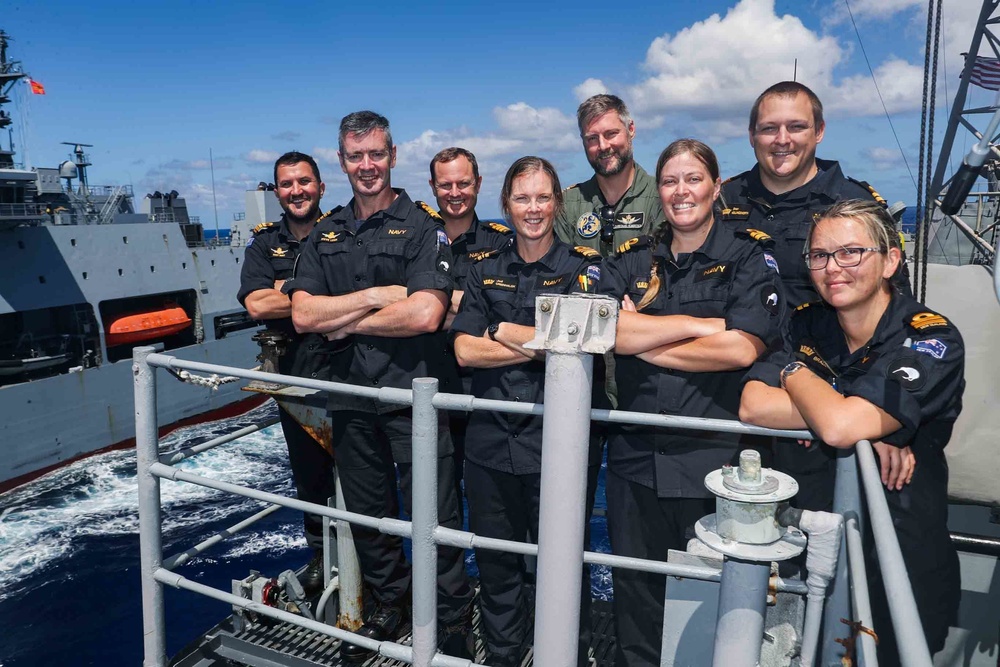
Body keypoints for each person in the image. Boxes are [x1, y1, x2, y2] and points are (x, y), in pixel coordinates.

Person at [739, 199, 963, 665]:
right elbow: (753, 405)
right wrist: (839, 413)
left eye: (850, 253)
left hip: (895, 560)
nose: (832, 268)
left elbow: (839, 426)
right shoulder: (806, 324)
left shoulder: (929, 337)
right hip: (811, 559)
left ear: (891, 260)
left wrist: (798, 378)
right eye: (819, 255)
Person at [285, 111, 474, 661]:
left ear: (392, 156)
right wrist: (373, 298)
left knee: (434, 516)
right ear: (341, 161)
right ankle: (392, 604)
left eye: (375, 154)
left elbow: (423, 314)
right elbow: (301, 315)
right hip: (350, 398)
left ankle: (451, 615)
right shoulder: (329, 231)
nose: (366, 166)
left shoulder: (422, 227)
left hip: (413, 396)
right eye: (354, 156)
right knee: (369, 514)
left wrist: (340, 319)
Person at [598, 139, 785, 667]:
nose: (682, 192)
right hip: (635, 463)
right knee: (635, 599)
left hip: (712, 464)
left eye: (693, 179)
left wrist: (646, 338)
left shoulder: (748, 256)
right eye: (670, 182)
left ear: (716, 186)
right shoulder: (631, 260)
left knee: (713, 609)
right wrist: (700, 327)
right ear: (658, 193)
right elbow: (606, 329)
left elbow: (741, 347)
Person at [720, 80, 911, 509]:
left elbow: (896, 313)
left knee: (816, 548)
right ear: (752, 136)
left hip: (821, 403)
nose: (782, 140)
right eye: (769, 128)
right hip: (728, 400)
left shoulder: (853, 204)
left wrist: (892, 423)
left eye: (796, 127)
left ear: (819, 131)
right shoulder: (723, 200)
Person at [452, 156, 604, 667]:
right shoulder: (483, 270)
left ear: (557, 203)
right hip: (490, 444)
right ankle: (503, 656)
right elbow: (464, 352)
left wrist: (500, 331)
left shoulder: (584, 269)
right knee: (497, 568)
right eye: (522, 198)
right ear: (506, 204)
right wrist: (545, 343)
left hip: (558, 447)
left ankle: (569, 655)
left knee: (562, 565)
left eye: (542, 197)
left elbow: (585, 341)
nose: (532, 208)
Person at [236, 151, 337, 595]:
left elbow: (357, 289)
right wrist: (318, 293)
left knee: (365, 478)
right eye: (286, 184)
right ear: (276, 191)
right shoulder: (263, 244)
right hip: (295, 381)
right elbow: (256, 304)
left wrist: (285, 290)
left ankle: (378, 570)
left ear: (320, 186)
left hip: (348, 373)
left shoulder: (342, 230)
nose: (296, 191)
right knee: (310, 476)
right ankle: (321, 554)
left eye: (304, 181)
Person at [429, 146, 513, 520]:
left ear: (478, 183)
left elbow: (507, 310)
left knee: (491, 504)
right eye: (445, 184)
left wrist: (435, 306)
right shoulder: (419, 241)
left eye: (463, 183)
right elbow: (407, 308)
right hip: (429, 386)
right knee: (438, 504)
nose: (455, 192)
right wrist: (473, 306)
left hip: (485, 390)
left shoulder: (502, 243)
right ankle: (450, 582)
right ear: (433, 187)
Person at [555, 94, 663, 256]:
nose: (603, 146)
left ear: (631, 129)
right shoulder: (567, 205)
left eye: (611, 134)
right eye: (592, 138)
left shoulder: (662, 197)